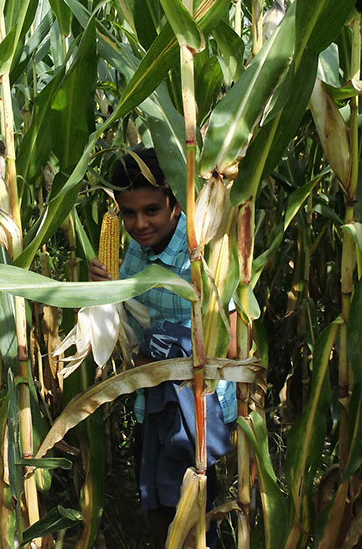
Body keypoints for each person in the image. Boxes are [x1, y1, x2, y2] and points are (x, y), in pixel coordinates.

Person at [89, 148, 236, 549]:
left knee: (195, 506)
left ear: (176, 204)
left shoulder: (203, 250)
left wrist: (171, 353)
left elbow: (232, 335)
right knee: (153, 494)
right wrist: (105, 293)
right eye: (128, 213)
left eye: (151, 210)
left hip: (199, 407)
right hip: (152, 399)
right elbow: (131, 327)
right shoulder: (135, 252)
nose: (139, 224)